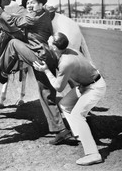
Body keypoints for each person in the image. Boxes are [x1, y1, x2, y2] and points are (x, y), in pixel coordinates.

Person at [0, 0, 72, 142]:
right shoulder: (39, 14)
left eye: (33, 2)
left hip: (39, 55)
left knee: (13, 43)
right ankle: (61, 129)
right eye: (27, 3)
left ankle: (2, 72)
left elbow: (15, 22)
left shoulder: (36, 16)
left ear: (41, 4)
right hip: (45, 57)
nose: (30, 5)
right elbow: (18, 18)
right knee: (46, 94)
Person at [33, 32, 106, 166]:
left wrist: (46, 70)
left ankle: (93, 154)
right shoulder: (68, 50)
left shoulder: (65, 62)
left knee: (78, 115)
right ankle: (80, 135)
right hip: (86, 85)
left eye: (51, 39)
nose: (49, 38)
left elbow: (58, 87)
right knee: (65, 104)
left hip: (95, 87)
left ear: (54, 47)